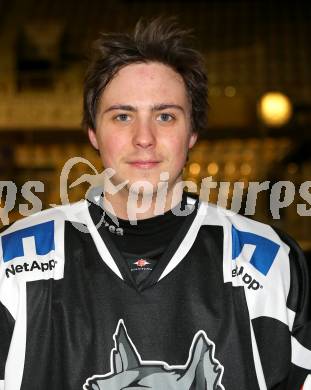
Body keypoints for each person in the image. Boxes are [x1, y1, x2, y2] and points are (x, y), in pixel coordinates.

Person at [0, 18, 310, 390]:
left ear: (192, 131)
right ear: (94, 133)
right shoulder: (13, 263)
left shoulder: (270, 263)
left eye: (165, 116)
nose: (144, 137)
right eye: (123, 116)